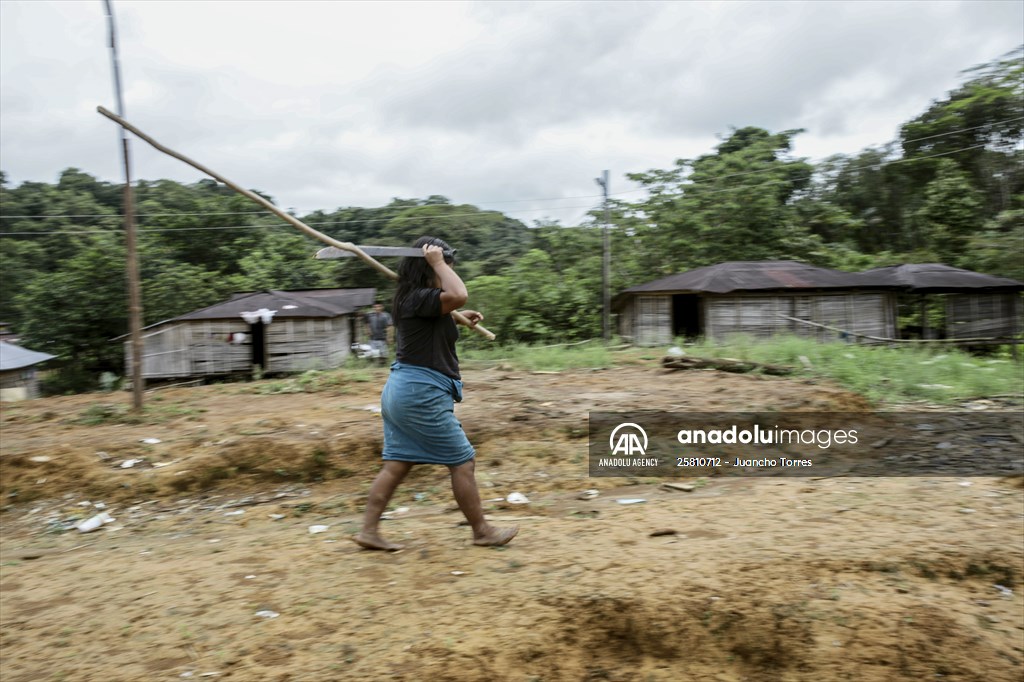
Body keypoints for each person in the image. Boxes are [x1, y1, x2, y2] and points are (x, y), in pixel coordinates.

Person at [353, 236, 519, 551]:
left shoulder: (414, 299)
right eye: (442, 267)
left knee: (397, 463)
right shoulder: (418, 298)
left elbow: (448, 308)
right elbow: (458, 293)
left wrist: (460, 317)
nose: (445, 272)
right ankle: (482, 530)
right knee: (463, 461)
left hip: (404, 390)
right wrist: (439, 263)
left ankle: (368, 531)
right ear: (426, 267)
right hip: (421, 394)